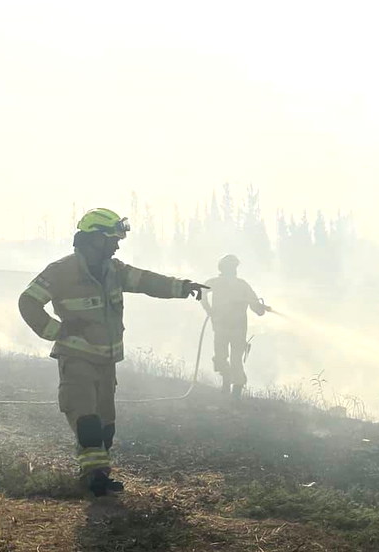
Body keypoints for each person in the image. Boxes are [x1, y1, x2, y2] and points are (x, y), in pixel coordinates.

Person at [18, 208, 208, 496]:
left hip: (107, 363)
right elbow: (28, 302)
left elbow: (145, 281)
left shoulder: (113, 271)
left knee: (106, 427)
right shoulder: (61, 271)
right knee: (87, 422)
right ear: (94, 240)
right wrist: (57, 331)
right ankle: (93, 478)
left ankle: (100, 476)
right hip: (76, 359)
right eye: (112, 239)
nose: (117, 245)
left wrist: (182, 287)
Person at [199, 254, 269, 397]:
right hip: (221, 327)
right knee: (220, 358)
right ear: (224, 268)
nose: (233, 270)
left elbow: (254, 304)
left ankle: (236, 392)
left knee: (236, 360)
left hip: (238, 329)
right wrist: (209, 309)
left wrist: (261, 309)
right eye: (231, 268)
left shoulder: (242, 285)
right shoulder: (216, 283)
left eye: (234, 268)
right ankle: (226, 383)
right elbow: (202, 292)